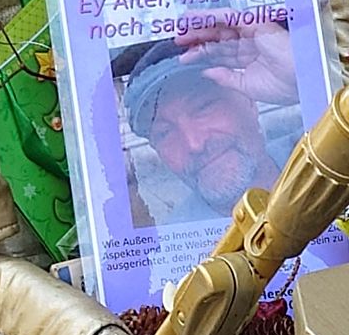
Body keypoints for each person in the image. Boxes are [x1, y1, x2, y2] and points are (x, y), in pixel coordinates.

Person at [119, 19, 302, 222]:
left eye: (203, 108)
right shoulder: (175, 246)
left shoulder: (320, 153)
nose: (194, 143)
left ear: (247, 100)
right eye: (165, 133)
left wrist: (299, 80)